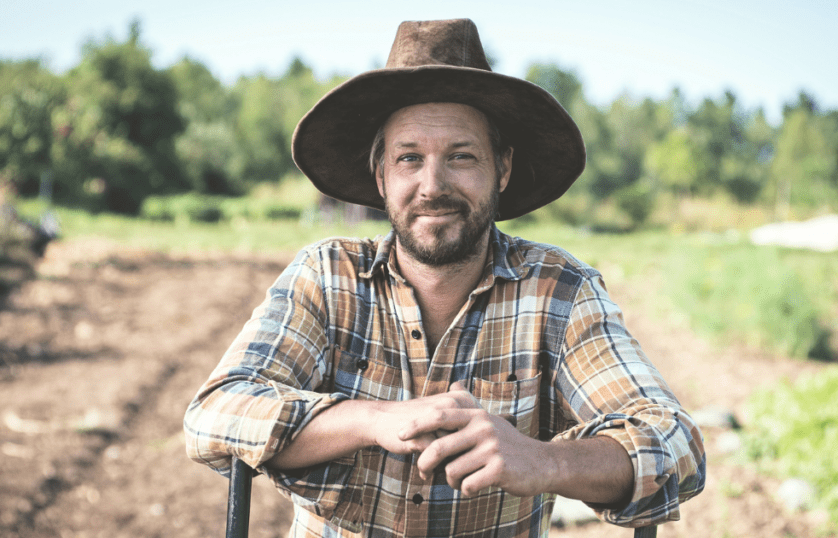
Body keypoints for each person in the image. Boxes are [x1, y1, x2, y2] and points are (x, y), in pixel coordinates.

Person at [185, 18, 705, 538]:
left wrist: (542, 460)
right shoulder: (328, 277)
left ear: (501, 169)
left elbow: (675, 443)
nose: (432, 185)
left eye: (461, 157)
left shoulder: (557, 292)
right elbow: (216, 412)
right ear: (381, 174)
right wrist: (375, 419)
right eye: (410, 158)